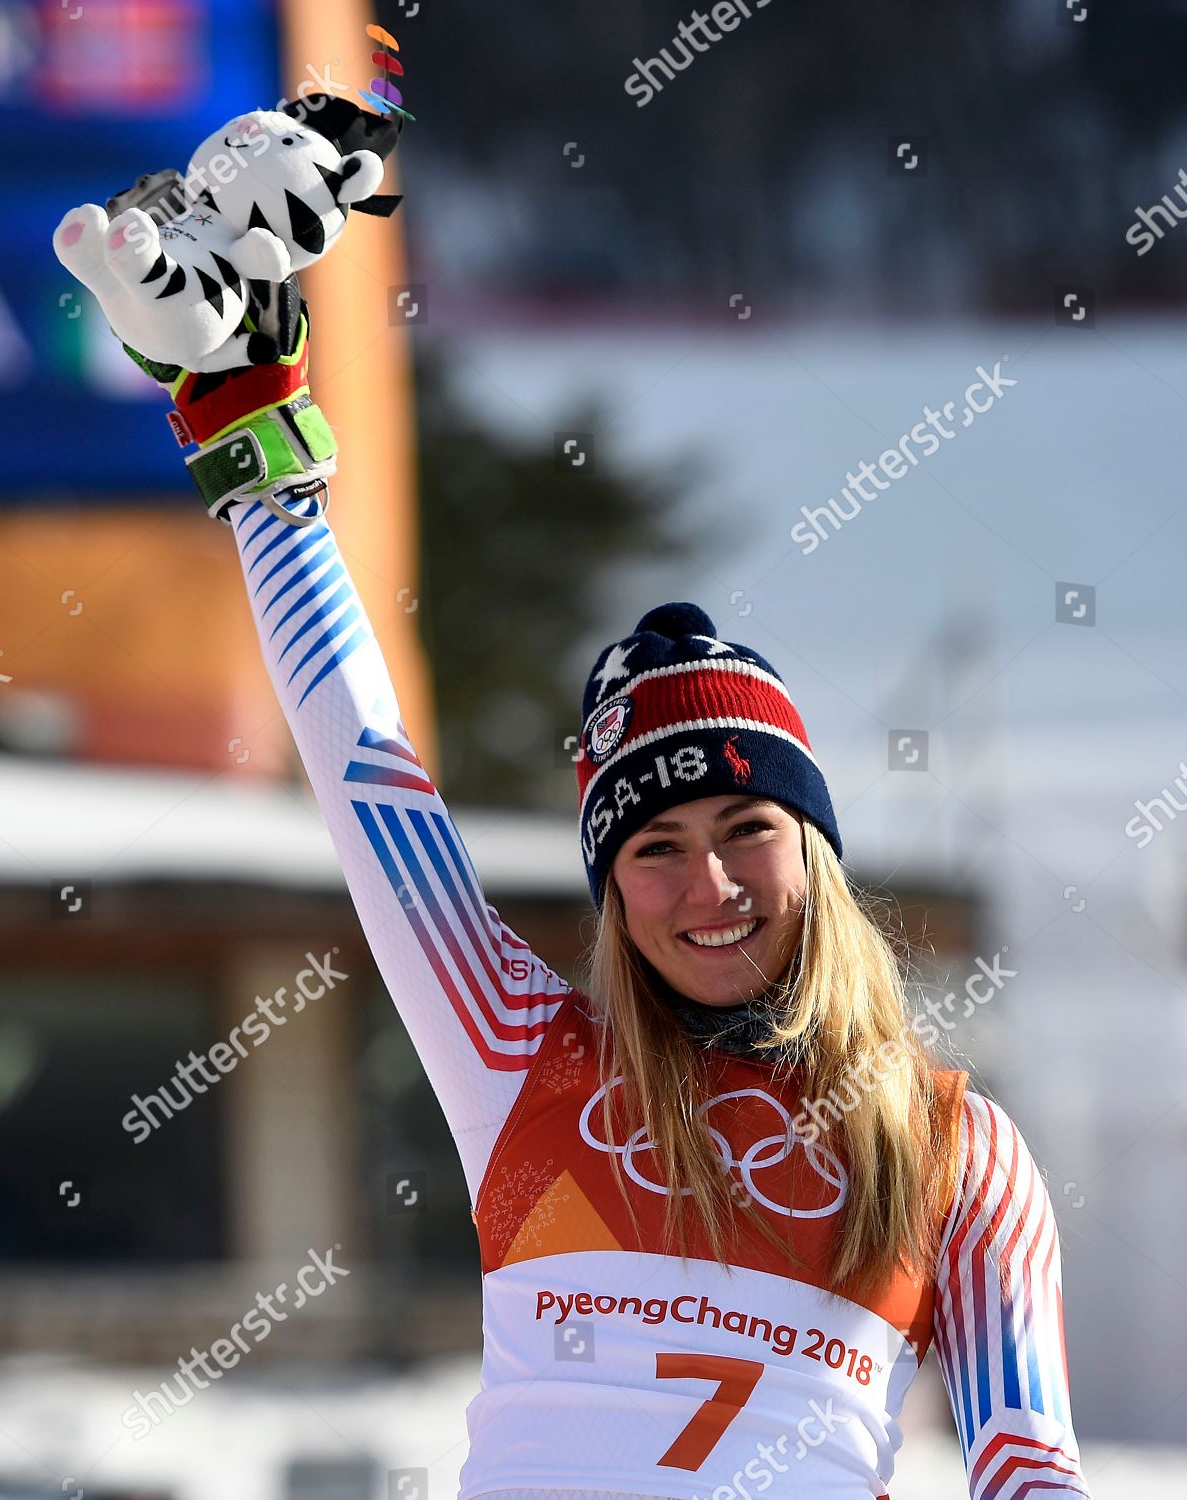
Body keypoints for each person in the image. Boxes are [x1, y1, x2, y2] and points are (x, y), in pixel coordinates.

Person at [76, 219, 1094, 1500]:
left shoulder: (955, 1152)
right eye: (653, 849)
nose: (708, 890)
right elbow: (369, 779)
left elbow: (1023, 1461)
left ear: (815, 853)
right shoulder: (519, 1056)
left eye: (746, 832)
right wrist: (263, 456)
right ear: (610, 893)